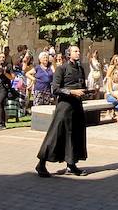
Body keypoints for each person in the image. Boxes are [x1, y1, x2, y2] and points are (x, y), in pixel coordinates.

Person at [35, 45, 88, 178]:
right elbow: (55, 89)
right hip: (64, 107)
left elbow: (82, 86)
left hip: (77, 106)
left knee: (75, 135)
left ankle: (71, 164)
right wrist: (71, 92)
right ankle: (41, 164)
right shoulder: (61, 68)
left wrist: (86, 92)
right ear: (68, 54)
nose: (78, 53)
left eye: (78, 51)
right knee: (56, 135)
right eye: (75, 51)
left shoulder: (81, 68)